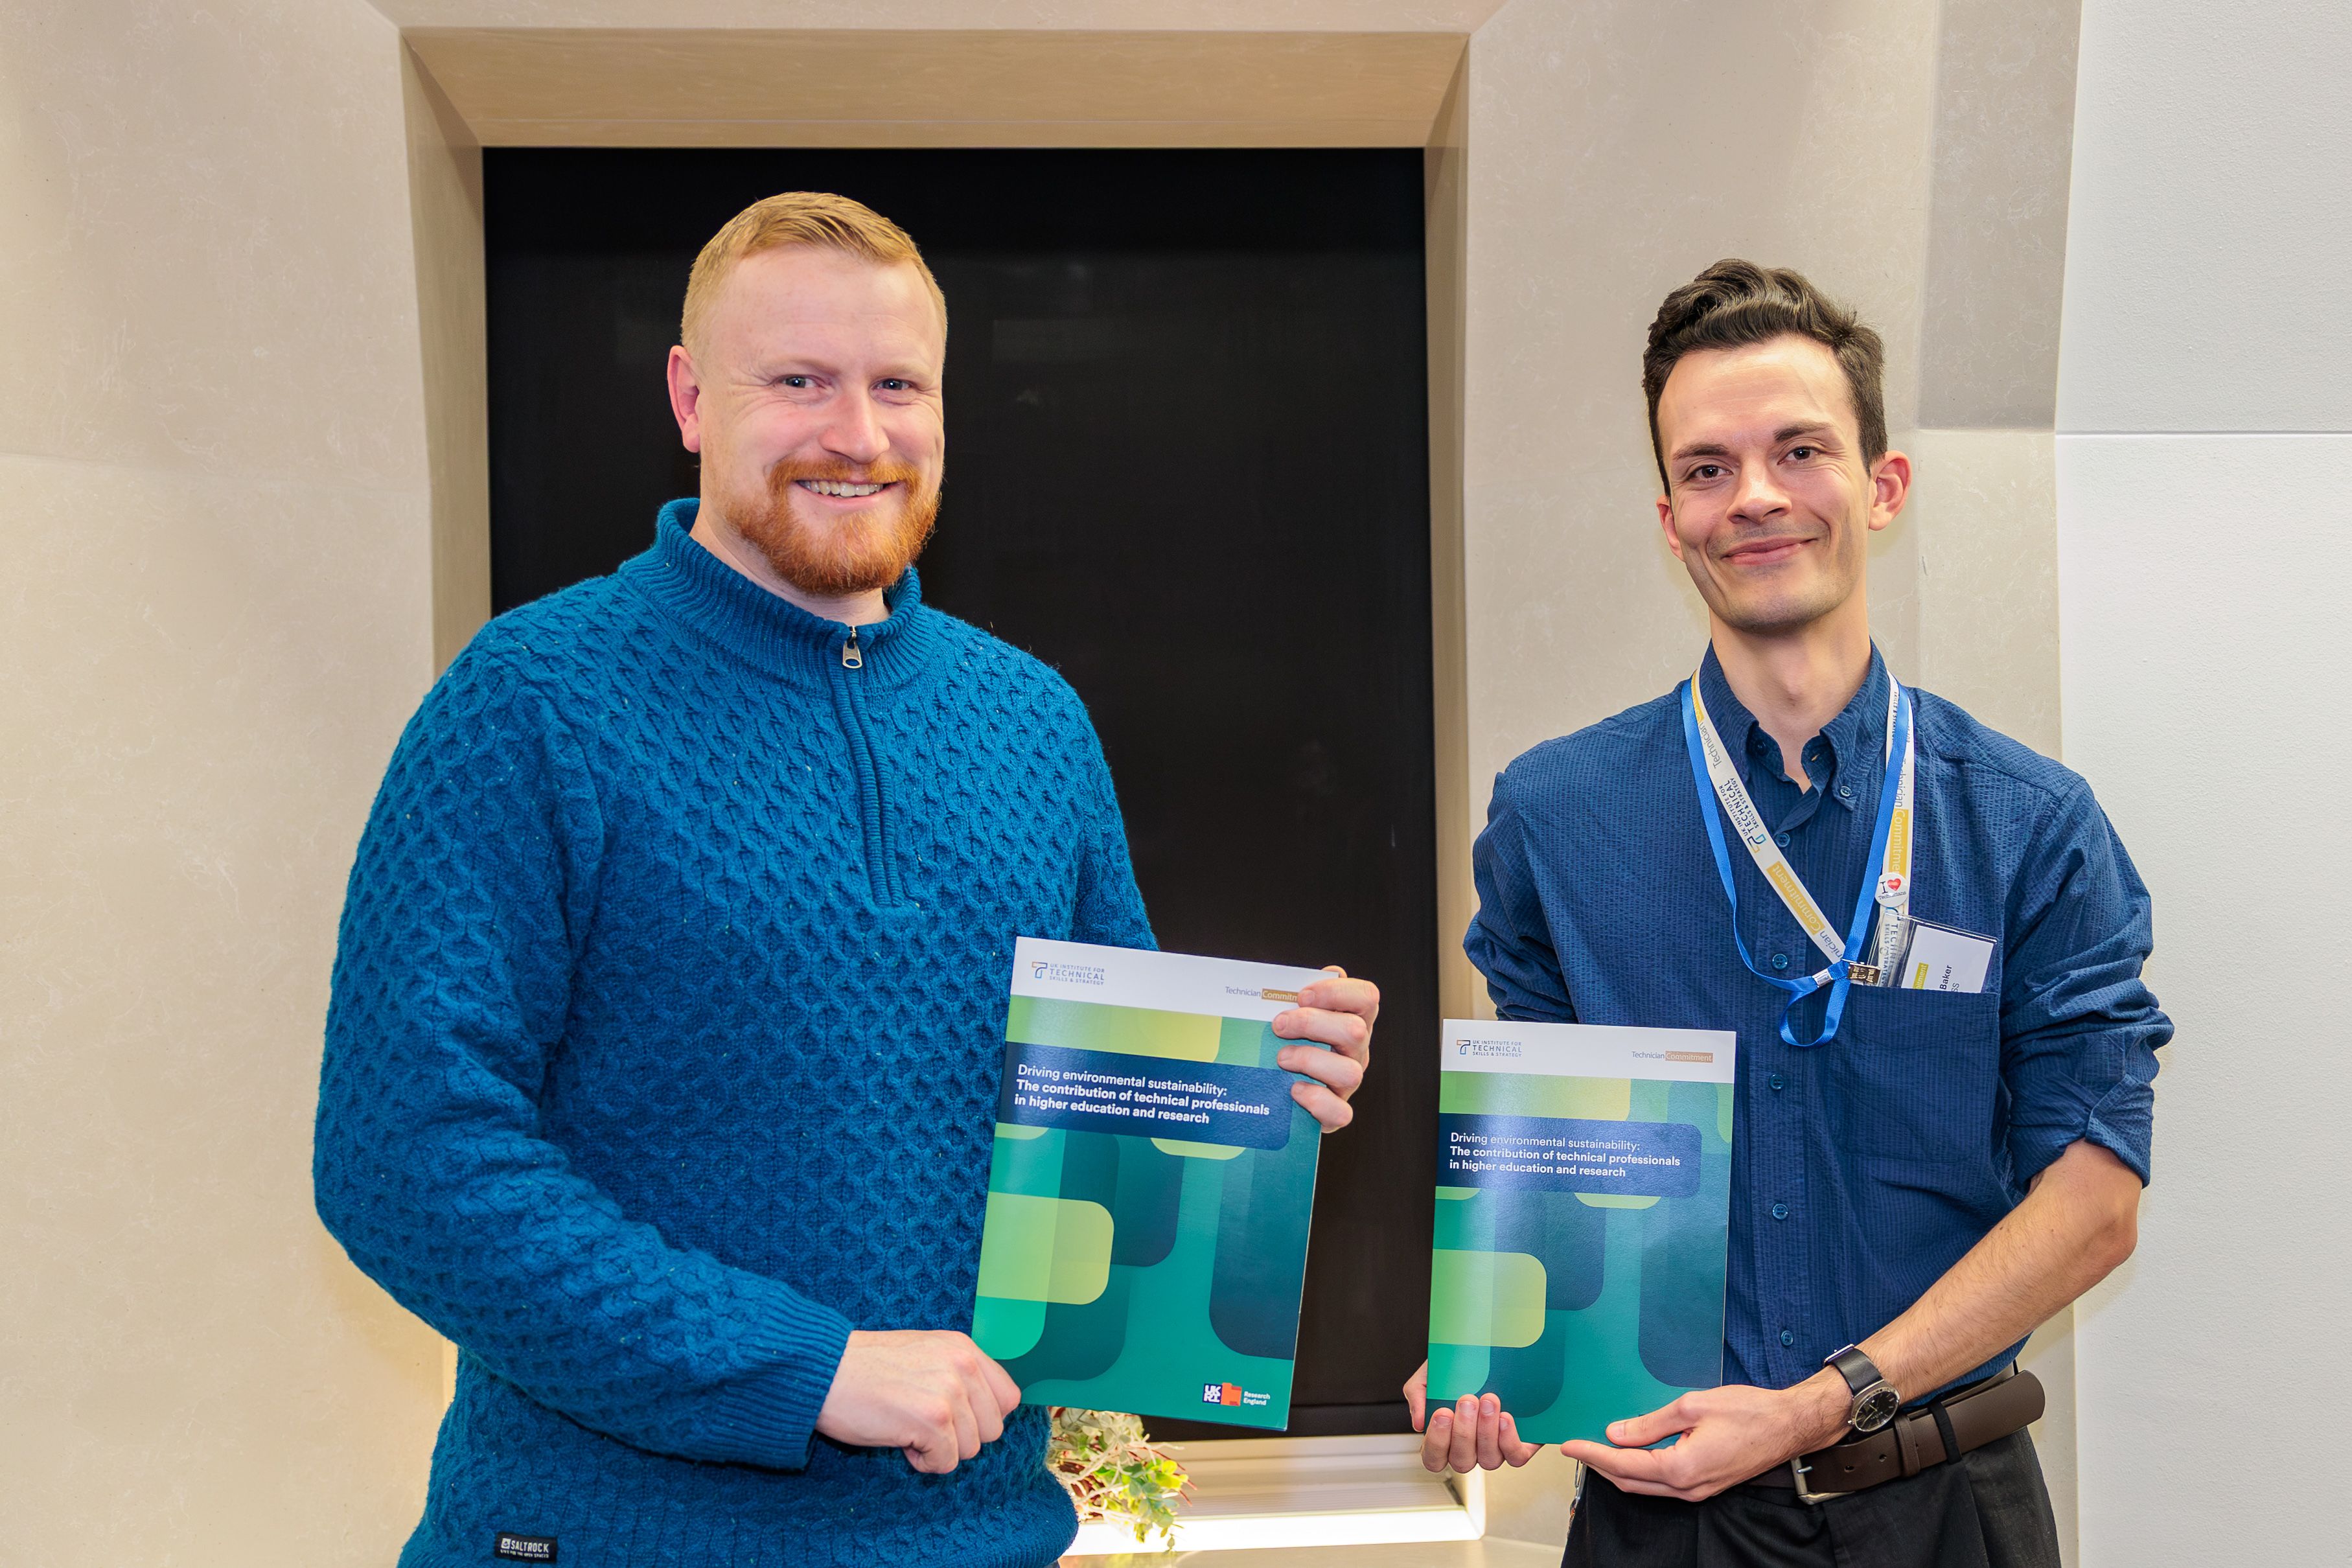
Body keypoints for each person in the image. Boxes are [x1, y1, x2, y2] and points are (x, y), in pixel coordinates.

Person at [312, 192, 1379, 1568]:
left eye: (897, 385)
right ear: (692, 399)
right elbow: (406, 1161)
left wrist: (1262, 1091)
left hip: (984, 1537)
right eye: (800, 381)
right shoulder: (526, 702)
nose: (858, 435)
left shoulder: (1035, 721)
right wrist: (804, 1367)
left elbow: (1098, 1151)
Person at [1403, 260, 2167, 1567]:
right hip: (1661, 1525)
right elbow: (1544, 1177)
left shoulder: (2031, 826)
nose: (1753, 495)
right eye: (1707, 469)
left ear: (1882, 487)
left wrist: (1822, 1404)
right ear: (1668, 517)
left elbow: (2094, 1199)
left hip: (1945, 1507)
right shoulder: (1556, 819)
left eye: (1798, 450)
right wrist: (1485, 1355)